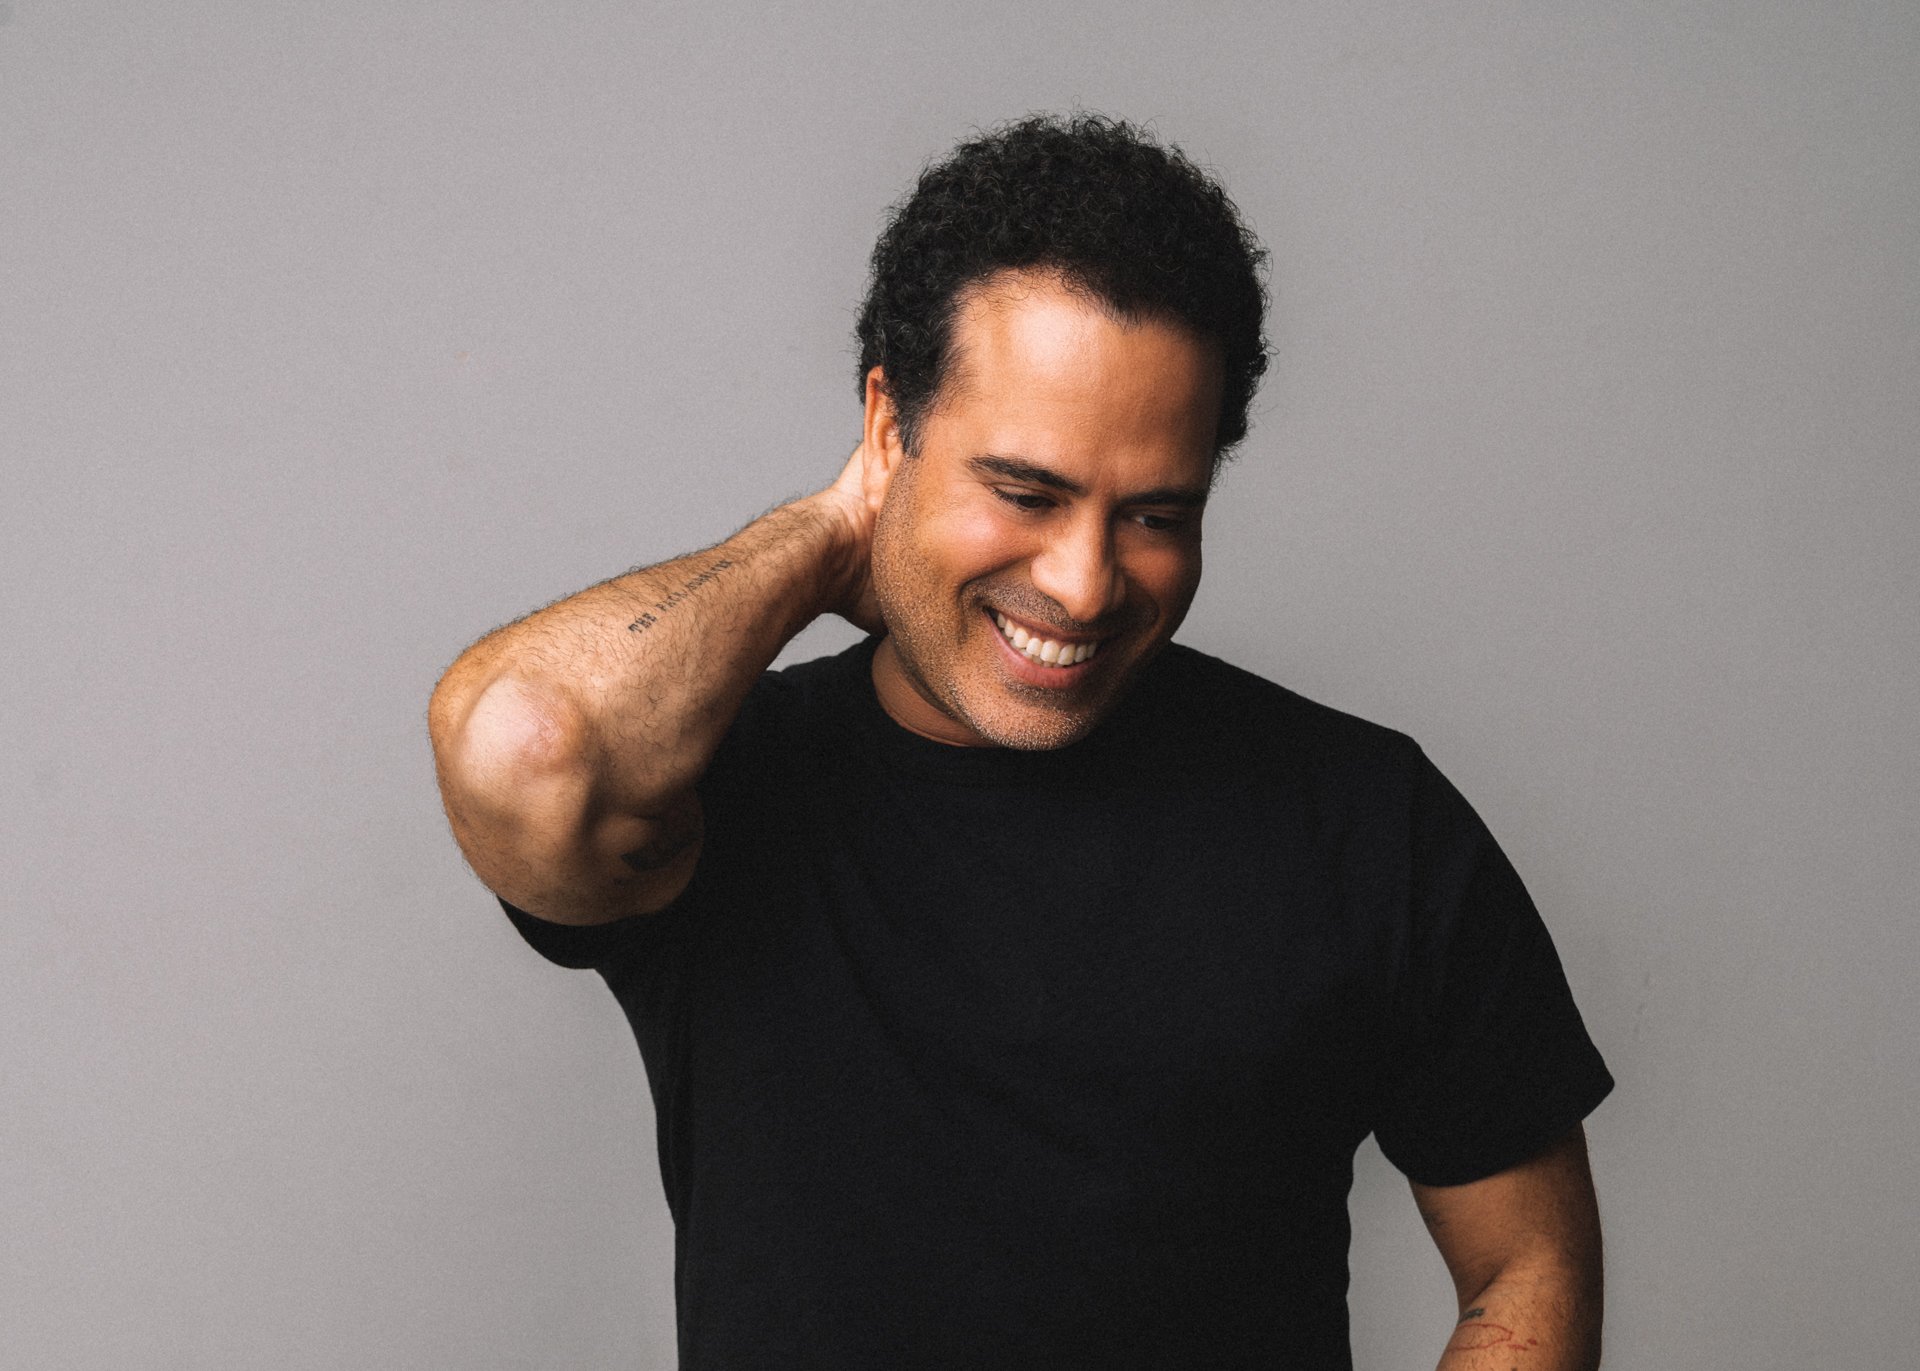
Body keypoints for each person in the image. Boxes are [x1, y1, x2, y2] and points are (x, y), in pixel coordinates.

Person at [427, 113, 1613, 1371]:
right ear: (889, 427)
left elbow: (1526, 1266)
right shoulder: (722, 792)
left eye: (1155, 515)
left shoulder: (1366, 822)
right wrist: (829, 534)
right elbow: (529, 749)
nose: (1085, 584)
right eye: (1026, 493)